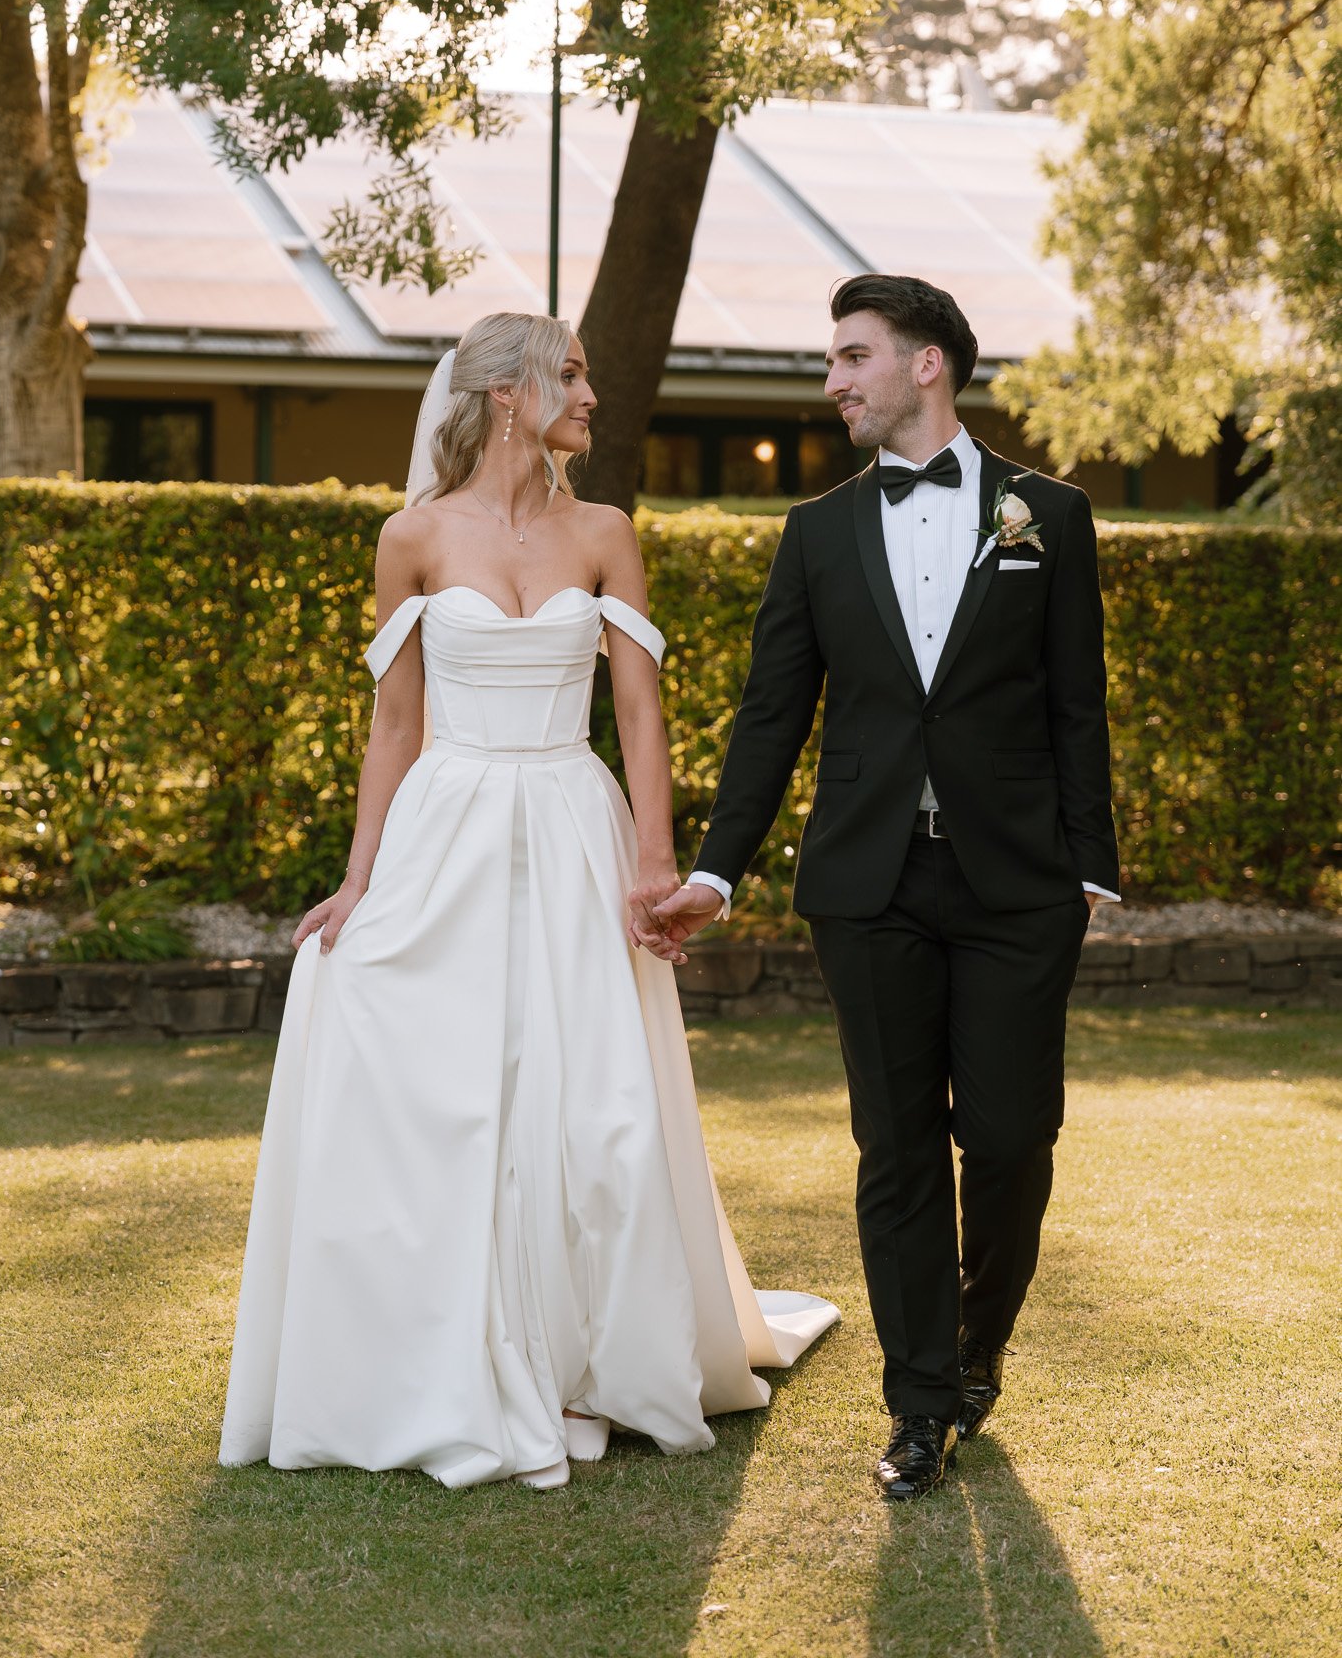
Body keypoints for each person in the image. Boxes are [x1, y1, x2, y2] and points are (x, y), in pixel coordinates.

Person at [218, 310, 836, 1489]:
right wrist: (359, 877)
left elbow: (642, 714)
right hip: (447, 829)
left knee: (593, 1099)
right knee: (441, 1077)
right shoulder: (411, 537)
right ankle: (430, 1348)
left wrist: (654, 862)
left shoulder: (604, 530)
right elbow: (396, 721)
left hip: (569, 820)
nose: (592, 395)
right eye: (575, 374)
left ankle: (591, 1349)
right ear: (507, 393)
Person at [653, 274, 1118, 1502]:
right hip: (868, 879)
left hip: (1018, 883)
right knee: (896, 1144)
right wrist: (716, 864)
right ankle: (920, 1402)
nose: (832, 380)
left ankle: (977, 1344)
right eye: (830, 359)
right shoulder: (816, 530)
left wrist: (1090, 864)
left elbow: (1078, 699)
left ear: (927, 365)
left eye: (851, 356)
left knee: (1013, 1136)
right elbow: (773, 713)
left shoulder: (1048, 515)